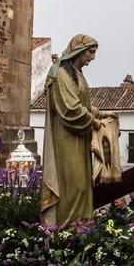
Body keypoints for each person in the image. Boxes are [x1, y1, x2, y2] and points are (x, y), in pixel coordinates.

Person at [41, 35, 117, 227]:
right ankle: (66, 229)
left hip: (79, 139)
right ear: (78, 50)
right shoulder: (60, 73)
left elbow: (84, 105)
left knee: (83, 185)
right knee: (72, 186)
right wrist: (96, 123)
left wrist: (102, 114)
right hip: (66, 139)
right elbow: (71, 109)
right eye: (90, 53)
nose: (93, 58)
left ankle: (82, 225)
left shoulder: (77, 74)